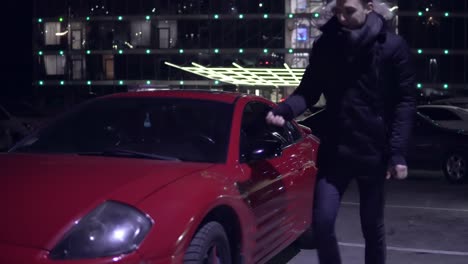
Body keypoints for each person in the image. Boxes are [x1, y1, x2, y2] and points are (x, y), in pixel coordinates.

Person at [266, 0, 416, 264]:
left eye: (349, 11)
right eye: (338, 11)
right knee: (322, 224)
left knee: (372, 228)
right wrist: (285, 110)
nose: (342, 18)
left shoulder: (392, 46)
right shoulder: (326, 45)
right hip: (336, 151)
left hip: (373, 151)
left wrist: (397, 154)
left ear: (369, 7)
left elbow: (405, 101)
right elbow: (308, 91)